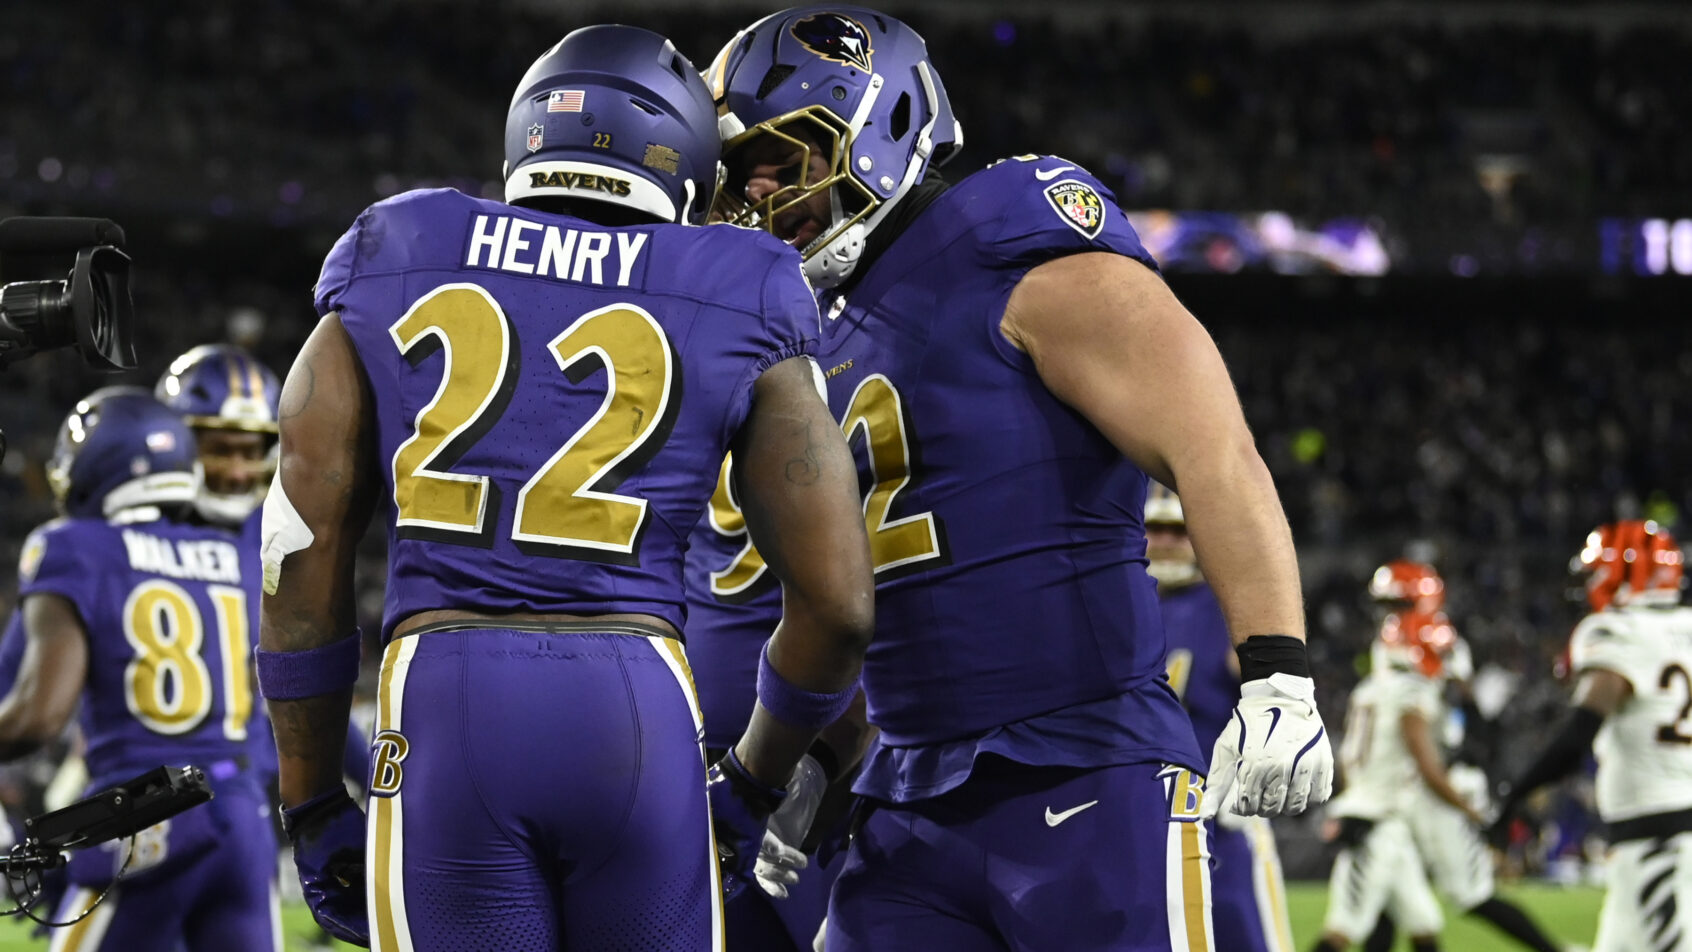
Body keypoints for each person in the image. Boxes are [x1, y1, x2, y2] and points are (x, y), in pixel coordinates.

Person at [702, 8, 1333, 949]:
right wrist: (818, 764)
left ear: (880, 124)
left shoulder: (1005, 235)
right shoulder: (816, 332)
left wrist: (1277, 669)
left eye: (780, 155)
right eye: (738, 174)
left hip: (1086, 773)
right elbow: (897, 590)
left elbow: (1212, 446)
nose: (758, 193)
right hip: (908, 800)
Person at [258, 24, 874, 952]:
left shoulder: (397, 243)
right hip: (635, 706)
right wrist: (752, 783)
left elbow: (296, 558)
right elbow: (838, 608)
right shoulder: (744, 282)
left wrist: (306, 795)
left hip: (444, 699)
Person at [0, 388, 277, 951]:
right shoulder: (233, 555)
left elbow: (39, 717)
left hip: (144, 811)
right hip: (243, 818)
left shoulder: (76, 546)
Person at [1494, 520, 1692, 952]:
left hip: (1660, 840)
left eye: (1596, 572)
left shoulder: (1621, 631)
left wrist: (1515, 795)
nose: (1590, 585)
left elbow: (1578, 733)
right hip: (1656, 838)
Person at [1360, 561, 1564, 952]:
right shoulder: (1387, 642)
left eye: (1397, 603)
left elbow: (1462, 712)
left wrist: (1471, 772)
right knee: (1389, 890)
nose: (1389, 613)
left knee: (1468, 892)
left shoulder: (1439, 640)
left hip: (1438, 779)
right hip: (1404, 781)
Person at [1149, 485, 1295, 952]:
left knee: (1251, 939)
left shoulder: (1224, 603)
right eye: (1156, 528)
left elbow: (1274, 690)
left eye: (1179, 530)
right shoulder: (1124, 602)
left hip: (1218, 813)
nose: (1167, 541)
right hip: (1141, 815)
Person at [1312, 611, 1455, 952]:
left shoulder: (1368, 690)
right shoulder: (1409, 691)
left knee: (1424, 923)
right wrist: (1469, 809)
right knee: (1343, 928)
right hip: (1372, 823)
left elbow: (1350, 761)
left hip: (1386, 822)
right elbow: (1425, 761)